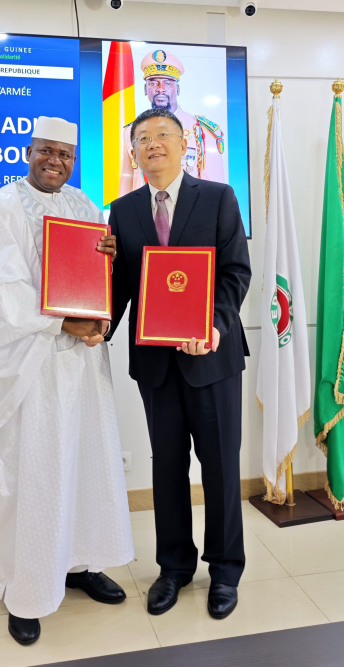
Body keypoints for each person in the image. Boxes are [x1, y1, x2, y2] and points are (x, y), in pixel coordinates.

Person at [0, 116, 134, 646]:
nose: (55, 161)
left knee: (85, 461)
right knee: (34, 470)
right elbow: (2, 291)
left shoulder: (85, 207)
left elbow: (93, 282)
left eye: (65, 154)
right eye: (46, 150)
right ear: (28, 152)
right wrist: (63, 324)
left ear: (74, 160)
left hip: (82, 366)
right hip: (28, 366)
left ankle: (80, 562)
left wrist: (102, 298)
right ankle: (24, 588)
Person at [108, 108, 251, 620]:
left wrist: (213, 326)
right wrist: (96, 323)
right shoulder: (122, 210)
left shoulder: (218, 197)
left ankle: (225, 570)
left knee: (220, 466)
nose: (153, 144)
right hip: (156, 366)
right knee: (166, 467)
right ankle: (173, 568)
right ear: (133, 152)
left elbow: (235, 272)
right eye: (143, 138)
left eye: (163, 134)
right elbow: (121, 286)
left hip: (211, 358)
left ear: (184, 142)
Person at [119, 49, 225, 197]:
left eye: (168, 83)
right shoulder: (131, 131)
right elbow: (126, 188)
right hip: (142, 211)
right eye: (153, 83)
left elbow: (214, 193)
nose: (160, 89)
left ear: (178, 88)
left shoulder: (202, 131)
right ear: (145, 89)